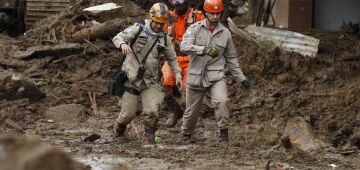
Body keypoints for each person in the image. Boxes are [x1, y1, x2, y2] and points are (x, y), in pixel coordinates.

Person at [180, 0, 251, 142]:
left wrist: (241, 78)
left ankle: (223, 134)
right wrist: (203, 50)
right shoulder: (194, 28)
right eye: (212, 13)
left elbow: (231, 58)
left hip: (216, 76)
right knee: (191, 111)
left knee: (222, 101)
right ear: (206, 13)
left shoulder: (225, 33)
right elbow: (184, 46)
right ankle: (186, 134)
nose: (215, 16)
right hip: (196, 76)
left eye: (218, 13)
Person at [112, 3, 182, 144]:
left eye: (161, 24)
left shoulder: (165, 39)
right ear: (151, 18)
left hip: (151, 80)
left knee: (152, 111)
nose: (158, 26)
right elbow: (117, 38)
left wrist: (178, 75)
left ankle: (149, 138)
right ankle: (119, 130)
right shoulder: (137, 29)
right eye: (156, 23)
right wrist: (123, 44)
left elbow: (173, 59)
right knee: (128, 114)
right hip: (131, 78)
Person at [162, 0, 205, 128]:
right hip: (173, 58)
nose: (178, 5)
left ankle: (197, 117)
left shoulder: (198, 16)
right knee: (163, 87)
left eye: (180, 2)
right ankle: (175, 112)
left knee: (188, 89)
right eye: (175, 2)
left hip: (192, 58)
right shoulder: (168, 17)